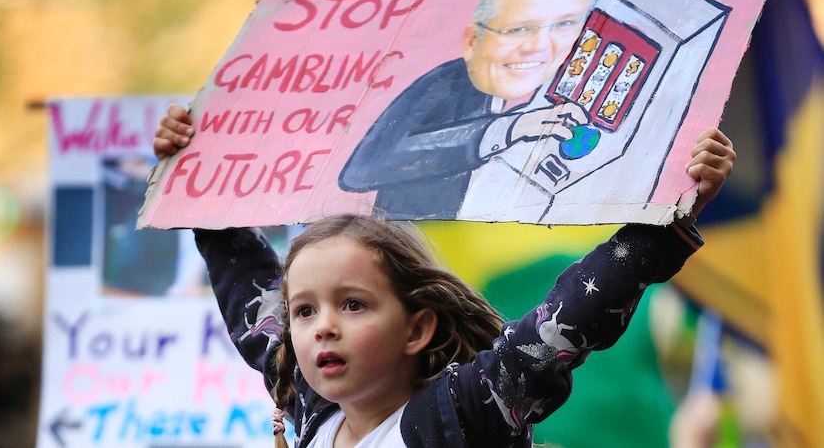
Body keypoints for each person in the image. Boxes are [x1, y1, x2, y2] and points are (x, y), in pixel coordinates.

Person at [153, 107, 736, 447]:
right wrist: (197, 171)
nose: (321, 327)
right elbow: (248, 288)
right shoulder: (305, 402)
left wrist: (665, 223)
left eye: (352, 305)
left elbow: (561, 324)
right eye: (304, 311)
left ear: (417, 329)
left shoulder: (464, 412)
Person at [338, 0, 602, 219]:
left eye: (565, 25)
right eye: (518, 29)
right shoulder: (448, 85)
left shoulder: (554, 86)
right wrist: (509, 129)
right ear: (473, 40)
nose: (539, 45)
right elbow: (361, 170)